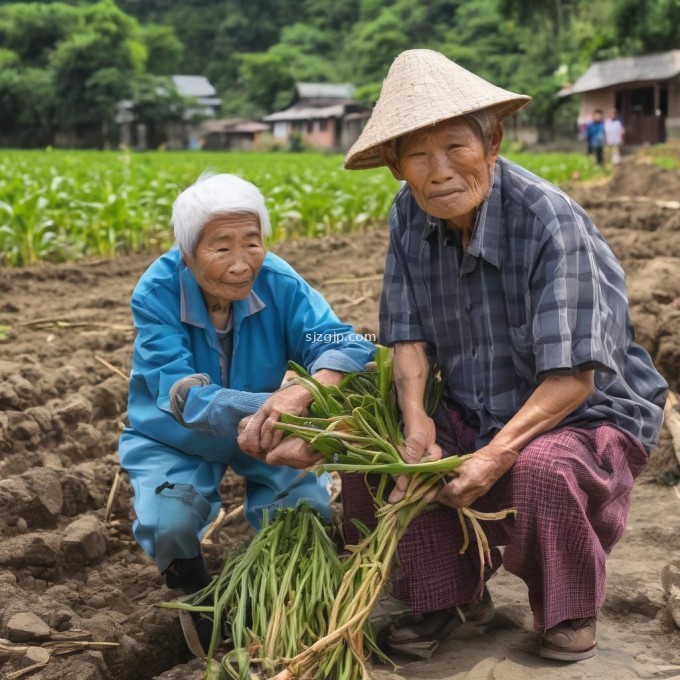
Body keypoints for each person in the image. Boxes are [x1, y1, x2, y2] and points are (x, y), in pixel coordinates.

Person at [269, 49, 669, 662]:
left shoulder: (548, 221)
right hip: (473, 402)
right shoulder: (409, 215)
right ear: (395, 168)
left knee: (541, 469)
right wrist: (416, 423)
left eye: (456, 147)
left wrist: (492, 454)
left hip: (584, 413)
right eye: (418, 156)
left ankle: (568, 605)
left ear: (493, 143)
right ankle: (448, 596)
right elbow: (406, 339)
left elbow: (572, 379)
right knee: (394, 458)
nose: (439, 172)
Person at [118, 172, 375, 655]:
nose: (241, 265)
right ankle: (193, 592)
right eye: (221, 248)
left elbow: (340, 342)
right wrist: (276, 407)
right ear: (187, 251)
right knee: (169, 522)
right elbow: (182, 394)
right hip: (176, 434)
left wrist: (309, 391)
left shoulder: (278, 281)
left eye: (252, 243)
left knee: (301, 520)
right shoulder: (157, 292)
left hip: (269, 432)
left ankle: (280, 616)